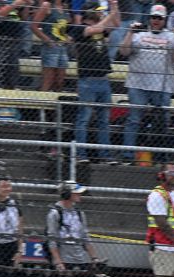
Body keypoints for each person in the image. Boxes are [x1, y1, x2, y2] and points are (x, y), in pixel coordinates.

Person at [120, 5, 174, 162]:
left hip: (162, 86)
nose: (156, 21)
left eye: (160, 18)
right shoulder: (139, 34)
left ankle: (160, 157)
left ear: (165, 20)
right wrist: (130, 32)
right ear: (149, 18)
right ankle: (128, 155)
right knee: (134, 120)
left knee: (162, 121)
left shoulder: (170, 36)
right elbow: (123, 52)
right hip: (138, 84)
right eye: (154, 17)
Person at [45, 182, 101, 277]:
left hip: (81, 258)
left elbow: (85, 237)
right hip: (65, 258)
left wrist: (94, 257)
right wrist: (58, 260)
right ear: (67, 194)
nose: (79, 196)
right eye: (76, 193)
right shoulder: (55, 213)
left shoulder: (79, 213)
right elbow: (52, 238)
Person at [71, 1, 120, 163]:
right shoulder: (78, 28)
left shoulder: (101, 26)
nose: (100, 14)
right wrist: (109, 15)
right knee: (83, 119)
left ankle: (104, 154)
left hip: (103, 80)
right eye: (97, 12)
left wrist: (114, 8)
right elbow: (95, 30)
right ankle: (80, 154)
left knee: (104, 120)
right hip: (87, 81)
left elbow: (115, 25)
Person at [0, 0, 33, 90]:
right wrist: (15, 4)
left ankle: (10, 88)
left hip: (15, 37)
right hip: (0, 36)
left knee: (12, 66)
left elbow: (24, 17)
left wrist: (27, 5)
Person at [33, 0, 71, 92]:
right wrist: (47, 40)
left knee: (60, 80)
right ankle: (42, 102)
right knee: (48, 79)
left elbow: (64, 27)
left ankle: (57, 101)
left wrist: (67, 37)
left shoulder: (65, 7)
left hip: (62, 46)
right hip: (51, 46)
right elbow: (34, 26)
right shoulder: (47, 5)